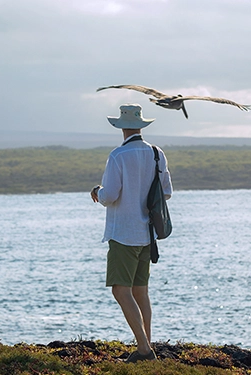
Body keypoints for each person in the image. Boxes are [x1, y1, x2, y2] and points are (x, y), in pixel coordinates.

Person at [90, 104, 173, 363]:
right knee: (141, 292)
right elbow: (166, 192)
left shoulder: (118, 156)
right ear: (140, 125)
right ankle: (145, 348)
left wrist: (97, 192)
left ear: (121, 127)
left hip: (123, 234)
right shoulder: (157, 154)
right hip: (147, 233)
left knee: (120, 291)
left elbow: (111, 195)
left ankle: (145, 350)